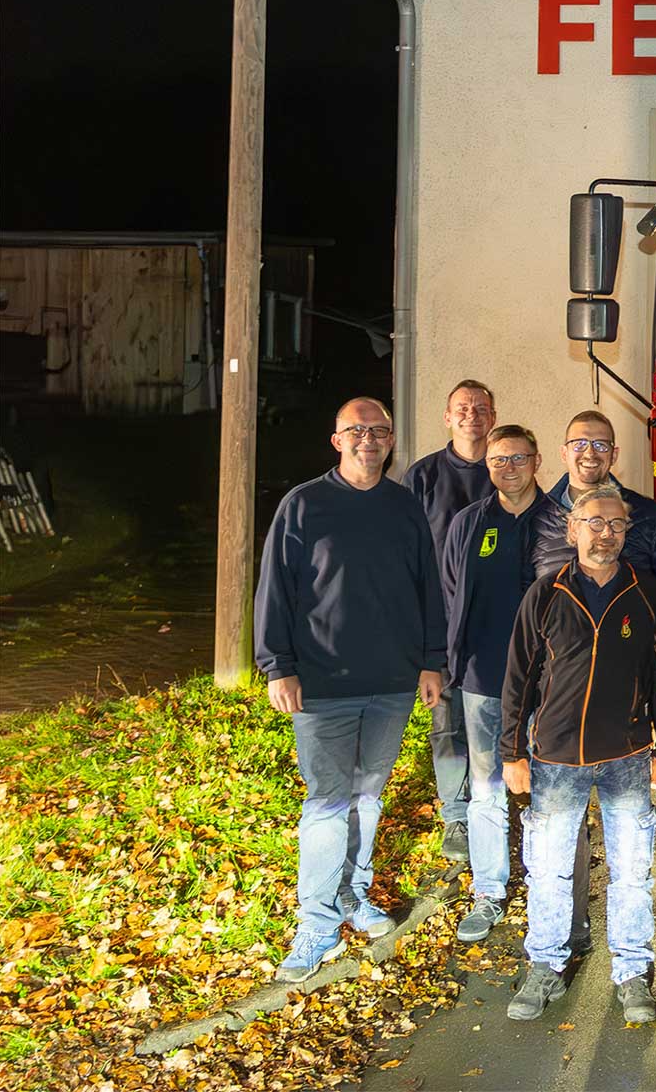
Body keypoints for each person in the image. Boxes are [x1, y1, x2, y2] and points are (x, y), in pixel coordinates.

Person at [257, 398, 446, 982]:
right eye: (356, 431)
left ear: (391, 441)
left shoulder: (404, 507)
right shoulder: (304, 505)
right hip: (322, 685)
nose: (369, 439)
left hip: (391, 684)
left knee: (367, 798)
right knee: (326, 803)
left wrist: (431, 662)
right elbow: (275, 590)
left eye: (380, 431)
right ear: (336, 440)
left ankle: (351, 897)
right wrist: (277, 665)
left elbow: (428, 589)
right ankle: (314, 924)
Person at [499, 487, 656, 1026]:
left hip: (627, 755)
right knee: (549, 870)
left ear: (627, 533)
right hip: (555, 758)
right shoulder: (545, 593)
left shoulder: (646, 593)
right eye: (594, 523)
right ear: (573, 529)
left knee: (632, 872)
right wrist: (511, 752)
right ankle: (546, 965)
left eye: (616, 525)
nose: (606, 534)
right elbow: (518, 679)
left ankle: (631, 970)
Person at [439, 424, 562, 943]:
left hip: (550, 682)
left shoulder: (560, 524)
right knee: (487, 789)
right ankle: (489, 891)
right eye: (497, 460)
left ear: (537, 462)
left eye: (517, 458)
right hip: (483, 679)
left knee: (550, 790)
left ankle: (548, 889)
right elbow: (448, 593)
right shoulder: (470, 523)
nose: (507, 468)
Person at [399, 379, 498, 863]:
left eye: (480, 408)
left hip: (494, 622)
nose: (471, 415)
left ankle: (490, 806)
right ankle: (456, 817)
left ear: (493, 417)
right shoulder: (423, 477)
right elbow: (404, 557)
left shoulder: (506, 471)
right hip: (439, 622)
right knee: (446, 722)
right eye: (462, 408)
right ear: (447, 418)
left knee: (491, 723)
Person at [533, 409, 656, 579]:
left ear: (614, 455)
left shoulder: (652, 516)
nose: (590, 453)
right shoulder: (536, 517)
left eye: (600, 445)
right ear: (564, 453)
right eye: (579, 444)